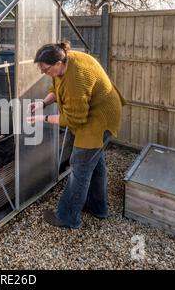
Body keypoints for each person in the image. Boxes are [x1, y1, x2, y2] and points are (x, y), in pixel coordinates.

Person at [27, 41, 126, 229]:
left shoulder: (76, 78)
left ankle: (67, 217)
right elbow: (56, 86)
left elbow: (74, 120)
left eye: (44, 69)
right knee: (95, 164)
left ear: (57, 63)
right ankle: (98, 208)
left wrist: (43, 118)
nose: (42, 72)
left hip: (99, 121)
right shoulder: (66, 61)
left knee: (79, 168)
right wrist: (42, 103)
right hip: (100, 112)